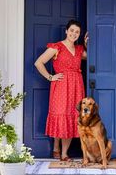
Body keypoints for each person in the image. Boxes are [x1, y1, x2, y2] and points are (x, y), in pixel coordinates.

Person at [34, 19, 88, 161]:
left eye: (77, 32)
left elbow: (93, 58)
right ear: (66, 31)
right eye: (72, 30)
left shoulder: (79, 50)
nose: (74, 34)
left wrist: (87, 44)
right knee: (60, 115)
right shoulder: (56, 47)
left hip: (76, 86)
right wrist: (50, 77)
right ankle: (56, 145)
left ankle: (64, 153)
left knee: (72, 116)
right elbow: (38, 63)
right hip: (61, 86)